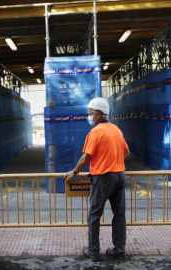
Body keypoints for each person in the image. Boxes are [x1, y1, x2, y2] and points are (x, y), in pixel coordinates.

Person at [65, 97, 130, 262]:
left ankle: (93, 251)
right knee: (119, 215)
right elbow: (126, 152)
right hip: (119, 176)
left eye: (90, 113)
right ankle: (119, 252)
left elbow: (85, 158)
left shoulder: (95, 132)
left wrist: (74, 171)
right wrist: (113, 159)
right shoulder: (116, 130)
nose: (89, 116)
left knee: (94, 215)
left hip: (103, 178)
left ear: (98, 115)